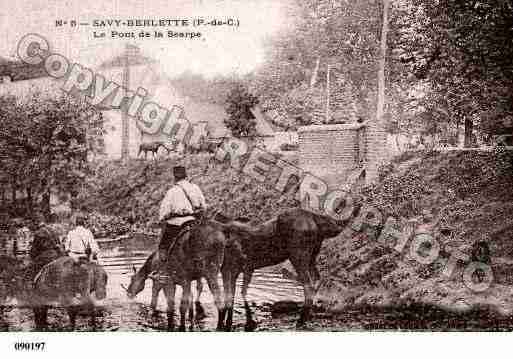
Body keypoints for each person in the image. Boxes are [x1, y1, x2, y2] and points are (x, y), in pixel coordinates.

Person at [154, 166, 207, 273]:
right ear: (186, 176)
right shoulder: (195, 187)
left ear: (174, 177)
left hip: (177, 223)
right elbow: (204, 206)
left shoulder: (172, 191)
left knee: (163, 245)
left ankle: (163, 271)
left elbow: (164, 211)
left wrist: (161, 219)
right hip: (193, 221)